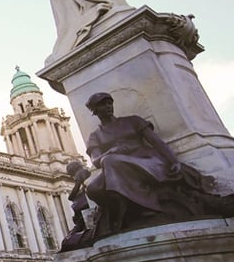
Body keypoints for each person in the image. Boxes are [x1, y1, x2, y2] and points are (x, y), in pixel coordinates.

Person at [84, 92, 222, 235]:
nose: (108, 106)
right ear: (95, 110)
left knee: (110, 161)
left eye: (109, 103)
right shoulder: (95, 136)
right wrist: (112, 151)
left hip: (146, 161)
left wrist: (173, 160)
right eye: (103, 104)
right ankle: (121, 211)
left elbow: (157, 142)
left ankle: (143, 207)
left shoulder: (133, 121)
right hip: (116, 166)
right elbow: (96, 161)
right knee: (92, 188)